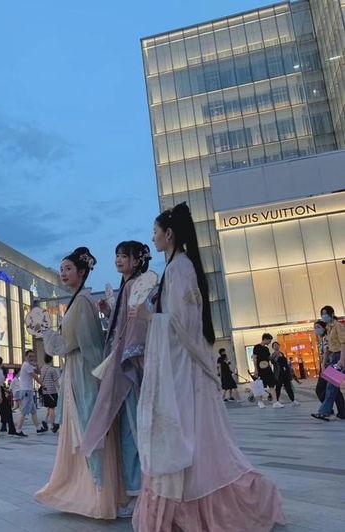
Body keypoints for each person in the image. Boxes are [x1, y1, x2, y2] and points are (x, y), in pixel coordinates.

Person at [132, 203, 284, 532]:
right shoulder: (177, 267)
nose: (153, 238)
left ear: (169, 234)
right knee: (193, 437)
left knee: (192, 435)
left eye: (155, 232)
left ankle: (203, 506)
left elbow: (184, 324)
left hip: (185, 370)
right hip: (182, 367)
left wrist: (149, 318)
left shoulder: (179, 268)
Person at [35, 247, 126, 519]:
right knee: (82, 429)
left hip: (84, 372)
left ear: (82, 272)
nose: (63, 273)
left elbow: (86, 344)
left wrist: (49, 335)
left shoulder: (83, 302)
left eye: (68, 269)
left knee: (88, 429)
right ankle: (87, 491)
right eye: (61, 269)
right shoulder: (77, 301)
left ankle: (98, 494)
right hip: (77, 371)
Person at [82, 241, 151, 516]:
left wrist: (130, 357)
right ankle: (135, 489)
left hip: (127, 365)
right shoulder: (127, 287)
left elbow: (137, 325)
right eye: (117, 256)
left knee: (132, 428)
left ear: (136, 260)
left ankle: (140, 490)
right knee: (127, 428)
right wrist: (109, 313)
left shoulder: (135, 286)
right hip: (121, 363)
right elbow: (124, 324)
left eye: (124, 256)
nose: (119, 260)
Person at [312, 306, 345, 421]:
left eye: (325, 313)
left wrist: (342, 360)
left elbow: (343, 344)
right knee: (331, 387)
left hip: (340, 357)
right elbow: (330, 347)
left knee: (331, 387)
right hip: (334, 358)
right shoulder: (329, 328)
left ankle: (325, 412)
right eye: (322, 314)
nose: (323, 316)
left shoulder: (339, 326)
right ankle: (328, 412)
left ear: (332, 314)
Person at [15, 350, 47, 437]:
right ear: (25, 357)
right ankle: (18, 430)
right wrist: (42, 385)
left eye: (33, 356)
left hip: (28, 390)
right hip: (26, 391)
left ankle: (38, 428)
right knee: (24, 411)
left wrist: (37, 365)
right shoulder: (26, 365)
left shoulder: (28, 365)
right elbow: (35, 376)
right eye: (30, 356)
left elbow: (38, 372)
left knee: (33, 411)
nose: (32, 358)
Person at [271, 342, 299, 407]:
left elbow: (285, 363)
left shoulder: (282, 353)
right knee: (278, 388)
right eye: (274, 346)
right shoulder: (273, 355)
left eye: (277, 345)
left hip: (285, 373)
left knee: (288, 387)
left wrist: (288, 372)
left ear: (279, 346)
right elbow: (273, 362)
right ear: (273, 347)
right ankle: (276, 401)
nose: (276, 346)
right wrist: (276, 357)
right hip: (278, 374)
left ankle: (293, 400)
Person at [253, 333, 277, 408]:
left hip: (268, 369)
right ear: (265, 339)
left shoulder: (266, 349)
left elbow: (269, 357)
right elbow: (254, 358)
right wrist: (256, 369)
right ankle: (260, 402)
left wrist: (274, 356)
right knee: (261, 386)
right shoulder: (257, 347)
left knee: (272, 385)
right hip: (260, 369)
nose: (270, 342)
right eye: (269, 340)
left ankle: (275, 402)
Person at [40, 354, 60, 433]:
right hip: (52, 391)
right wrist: (60, 388)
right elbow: (56, 381)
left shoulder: (42, 369)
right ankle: (53, 425)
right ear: (51, 360)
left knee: (49, 407)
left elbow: (40, 380)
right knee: (52, 408)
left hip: (45, 391)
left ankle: (45, 421)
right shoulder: (52, 369)